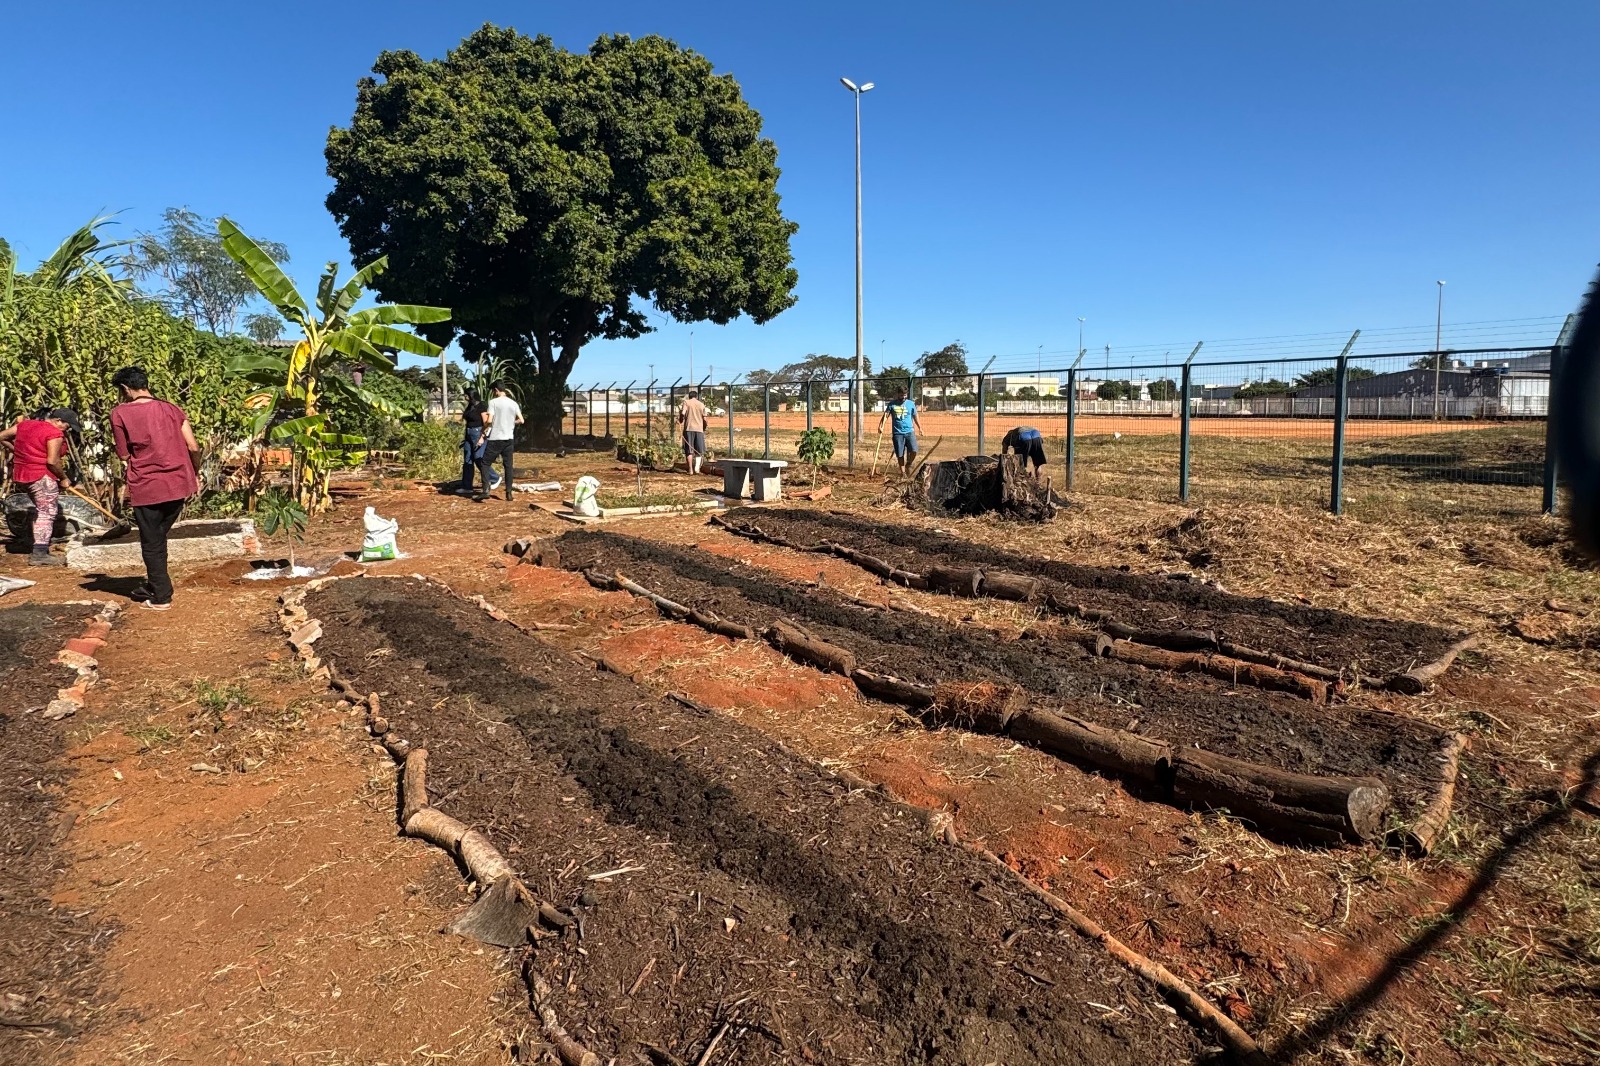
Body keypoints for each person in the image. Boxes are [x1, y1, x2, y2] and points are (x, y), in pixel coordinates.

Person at [110, 366, 200, 610]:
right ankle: (155, 585)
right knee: (158, 536)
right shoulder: (172, 408)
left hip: (147, 485)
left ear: (125, 388)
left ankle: (161, 596)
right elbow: (193, 446)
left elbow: (123, 454)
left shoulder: (120, 413)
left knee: (151, 542)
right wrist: (195, 473)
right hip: (178, 484)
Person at [0, 407, 81, 566]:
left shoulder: (25, 425)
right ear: (58, 420)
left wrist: (18, 451)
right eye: (67, 426)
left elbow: (1, 436)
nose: (67, 429)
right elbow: (52, 461)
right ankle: (40, 553)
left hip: (23, 474)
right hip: (41, 475)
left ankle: (36, 544)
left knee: (41, 509)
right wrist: (63, 478)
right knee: (47, 512)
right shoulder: (54, 434)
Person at [476, 381, 523, 502]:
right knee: (508, 466)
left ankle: (486, 490)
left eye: (493, 391)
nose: (493, 393)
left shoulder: (493, 402)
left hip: (496, 438)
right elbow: (521, 420)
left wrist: (484, 429)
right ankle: (509, 493)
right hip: (509, 438)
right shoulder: (513, 403)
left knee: (485, 463)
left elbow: (489, 420)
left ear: (496, 390)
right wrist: (510, 422)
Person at [876, 386, 924, 476]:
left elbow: (915, 416)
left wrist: (920, 428)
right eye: (901, 395)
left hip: (909, 432)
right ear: (898, 394)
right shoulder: (892, 404)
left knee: (914, 450)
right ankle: (903, 473)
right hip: (897, 433)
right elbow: (886, 415)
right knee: (900, 454)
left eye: (905, 395)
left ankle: (909, 464)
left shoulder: (911, 404)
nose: (903, 397)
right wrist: (881, 425)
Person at [459, 388, 488, 495]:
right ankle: (467, 486)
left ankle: (493, 478)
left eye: (466, 395)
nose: (465, 397)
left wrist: (482, 437)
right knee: (468, 459)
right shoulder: (470, 406)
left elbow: (486, 423)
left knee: (478, 458)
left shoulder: (482, 406)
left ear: (471, 395)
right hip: (468, 433)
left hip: (478, 433)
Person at [678, 389, 709, 474]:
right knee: (699, 450)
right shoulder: (701, 404)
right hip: (699, 429)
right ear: (696, 397)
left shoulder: (686, 402)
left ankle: (690, 470)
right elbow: (705, 419)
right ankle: (697, 469)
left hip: (688, 429)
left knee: (689, 450)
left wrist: (681, 419)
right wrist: (704, 427)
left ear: (689, 396)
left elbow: (683, 413)